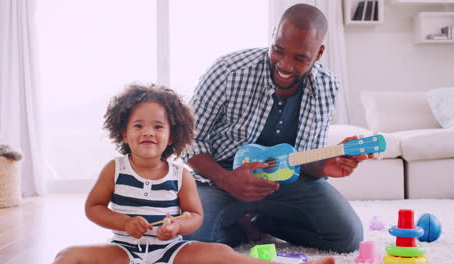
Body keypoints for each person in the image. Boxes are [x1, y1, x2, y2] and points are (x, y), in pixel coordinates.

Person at [52, 84, 335, 264]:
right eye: (138, 126)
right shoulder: (115, 169)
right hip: (124, 252)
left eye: (158, 127)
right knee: (68, 256)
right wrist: (124, 223)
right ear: (124, 133)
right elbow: (94, 207)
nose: (148, 131)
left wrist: (177, 227)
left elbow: (195, 216)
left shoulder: (179, 174)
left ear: (173, 136)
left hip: (172, 252)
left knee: (223, 255)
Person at [182, 4, 371, 253]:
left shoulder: (327, 87)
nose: (284, 65)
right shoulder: (228, 71)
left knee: (348, 238)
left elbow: (304, 161)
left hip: (289, 182)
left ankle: (262, 223)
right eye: (278, 50)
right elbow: (188, 139)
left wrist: (323, 166)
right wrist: (225, 179)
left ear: (319, 52)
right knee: (191, 238)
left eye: (300, 57)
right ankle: (240, 226)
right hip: (222, 177)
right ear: (273, 34)